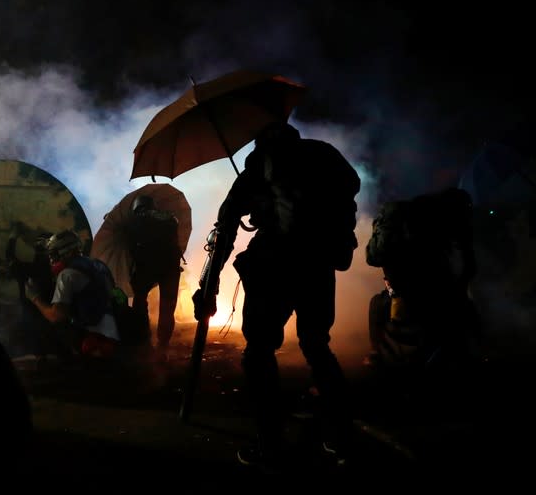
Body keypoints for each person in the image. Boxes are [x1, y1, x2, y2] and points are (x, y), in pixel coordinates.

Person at [193, 121, 361, 471]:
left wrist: (208, 286)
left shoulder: (258, 166)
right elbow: (348, 194)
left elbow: (224, 229)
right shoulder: (324, 157)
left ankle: (270, 442)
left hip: (274, 265)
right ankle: (342, 436)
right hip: (319, 265)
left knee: (259, 353)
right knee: (317, 346)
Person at [365, 187, 484, 388]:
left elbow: (375, 258)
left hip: (415, 297)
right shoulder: (446, 225)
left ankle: (379, 358)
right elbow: (467, 268)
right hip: (430, 297)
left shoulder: (404, 223)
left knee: (378, 305)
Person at [26, 229, 122, 360]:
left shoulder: (67, 274)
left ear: (68, 252)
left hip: (92, 340)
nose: (52, 259)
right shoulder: (100, 265)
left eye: (54, 254)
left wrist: (35, 298)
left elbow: (56, 316)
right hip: (116, 334)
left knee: (47, 323)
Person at [123, 195, 183, 360]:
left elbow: (130, 245)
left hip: (146, 267)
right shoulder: (169, 217)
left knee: (140, 299)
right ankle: (163, 347)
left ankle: (143, 342)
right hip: (171, 268)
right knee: (167, 306)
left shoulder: (134, 221)